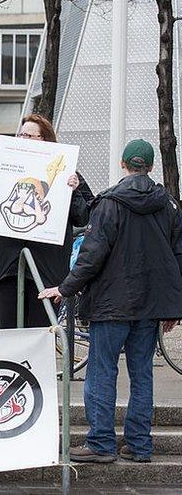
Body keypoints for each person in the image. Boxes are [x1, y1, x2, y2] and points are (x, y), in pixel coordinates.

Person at [40, 139, 182, 464]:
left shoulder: (110, 203)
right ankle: (139, 445)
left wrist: (65, 288)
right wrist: (174, 306)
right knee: (142, 374)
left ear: (122, 164)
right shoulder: (169, 205)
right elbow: (178, 258)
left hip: (111, 304)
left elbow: (91, 255)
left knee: (102, 372)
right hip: (150, 307)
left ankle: (101, 444)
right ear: (150, 165)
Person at [0, 114, 93, 329]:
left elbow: (83, 216)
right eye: (20, 134)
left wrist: (73, 192)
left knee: (39, 331)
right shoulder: (2, 167)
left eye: (29, 135)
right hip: (8, 266)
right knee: (8, 331)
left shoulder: (67, 173)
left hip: (46, 268)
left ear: (44, 139)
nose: (22, 138)